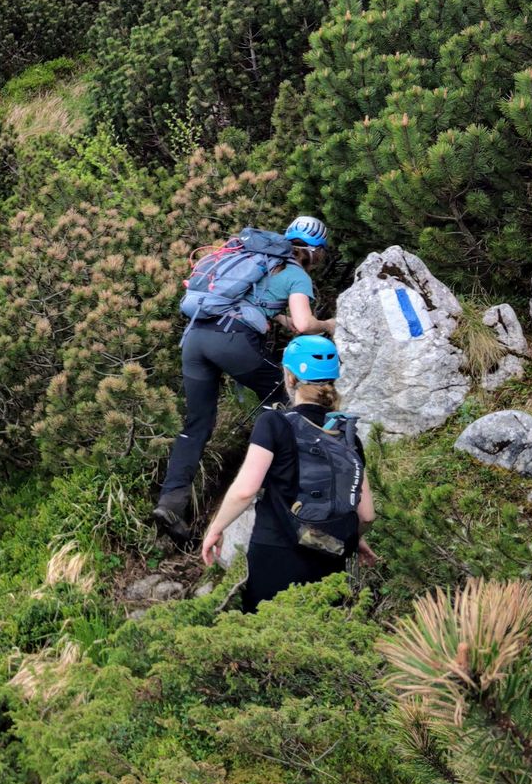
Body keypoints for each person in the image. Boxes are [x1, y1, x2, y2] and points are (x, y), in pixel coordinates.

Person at [152, 214, 336, 544]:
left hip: (196, 339)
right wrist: (331, 325)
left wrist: (278, 317)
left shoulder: (256, 259)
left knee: (197, 424)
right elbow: (306, 323)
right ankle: (280, 480)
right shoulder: (295, 275)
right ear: (316, 251)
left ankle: (171, 504)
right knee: (287, 394)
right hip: (232, 341)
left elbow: (259, 304)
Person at [198, 335, 376, 611]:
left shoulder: (274, 422)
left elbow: (246, 490)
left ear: (290, 378)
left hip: (275, 555)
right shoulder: (347, 435)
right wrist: (349, 536)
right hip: (330, 561)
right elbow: (366, 514)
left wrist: (216, 529)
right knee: (322, 638)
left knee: (267, 642)